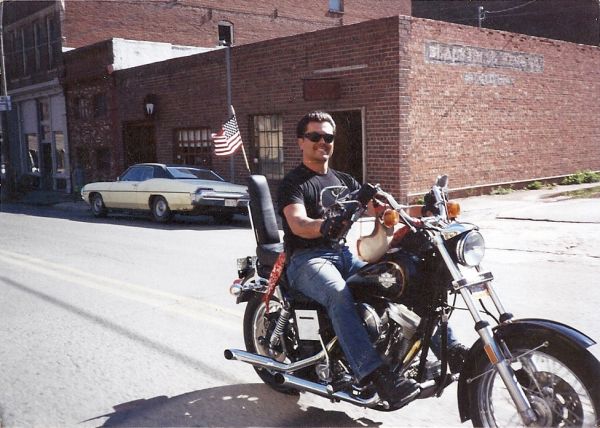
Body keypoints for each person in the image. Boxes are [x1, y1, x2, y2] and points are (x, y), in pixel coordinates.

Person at [277, 111, 467, 407]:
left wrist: (424, 209)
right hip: (307, 259)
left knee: (397, 280)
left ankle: (450, 350)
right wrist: (323, 225)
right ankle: (374, 374)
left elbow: (387, 208)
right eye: (314, 136)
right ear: (301, 141)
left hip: (341, 254)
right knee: (339, 295)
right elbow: (298, 223)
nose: (322, 142)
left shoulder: (343, 180)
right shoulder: (294, 183)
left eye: (328, 137)